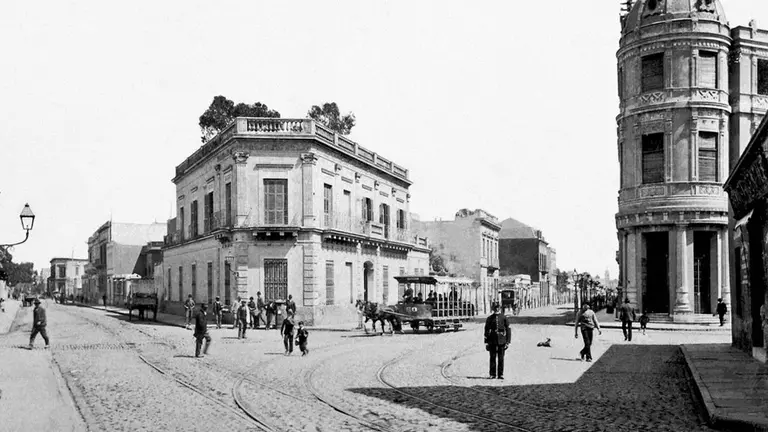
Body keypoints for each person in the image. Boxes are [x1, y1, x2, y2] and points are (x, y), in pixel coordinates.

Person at [484, 303, 510, 379]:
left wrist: (508, 341)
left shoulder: (504, 318)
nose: (497, 309)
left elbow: (508, 329)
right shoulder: (489, 318)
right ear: (493, 309)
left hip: (502, 339)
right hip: (492, 339)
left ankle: (500, 374)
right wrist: (486, 342)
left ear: (500, 308)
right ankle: (492, 374)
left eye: (498, 308)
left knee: (501, 358)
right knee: (492, 357)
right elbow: (486, 330)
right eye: (495, 308)